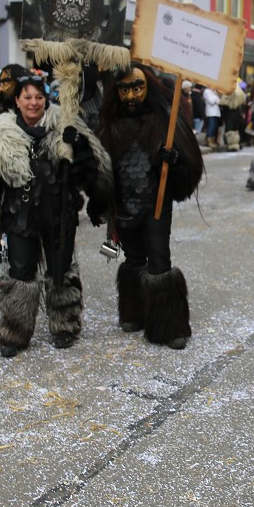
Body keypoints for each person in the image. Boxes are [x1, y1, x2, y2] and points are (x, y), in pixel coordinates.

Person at [0, 75, 113, 356]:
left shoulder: (65, 125)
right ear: (18, 101)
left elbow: (87, 171)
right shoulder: (1, 134)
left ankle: (65, 326)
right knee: (20, 274)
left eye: (39, 97)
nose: (33, 103)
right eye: (27, 97)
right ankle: (15, 332)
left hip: (59, 213)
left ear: (46, 99)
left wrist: (77, 145)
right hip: (20, 216)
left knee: (61, 272)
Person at [88, 63, 204, 350]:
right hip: (125, 207)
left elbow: (189, 171)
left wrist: (174, 161)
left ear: (147, 88)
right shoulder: (108, 127)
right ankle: (135, 312)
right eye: (125, 89)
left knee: (159, 260)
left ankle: (168, 325)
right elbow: (100, 171)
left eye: (137, 88)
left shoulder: (165, 123)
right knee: (134, 259)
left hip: (156, 205)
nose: (131, 95)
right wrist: (98, 200)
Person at [218, 83, 247, 152]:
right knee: (236, 129)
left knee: (230, 130)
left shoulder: (227, 93)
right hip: (236, 114)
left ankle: (231, 145)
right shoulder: (240, 93)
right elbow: (243, 102)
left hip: (229, 114)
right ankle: (237, 144)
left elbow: (222, 103)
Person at [203, 84, 221, 148]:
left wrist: (216, 97)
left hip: (216, 113)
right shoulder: (207, 91)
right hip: (210, 112)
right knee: (211, 127)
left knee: (214, 127)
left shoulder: (214, 92)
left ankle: (213, 140)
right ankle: (209, 141)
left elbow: (219, 102)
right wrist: (216, 96)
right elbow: (211, 101)